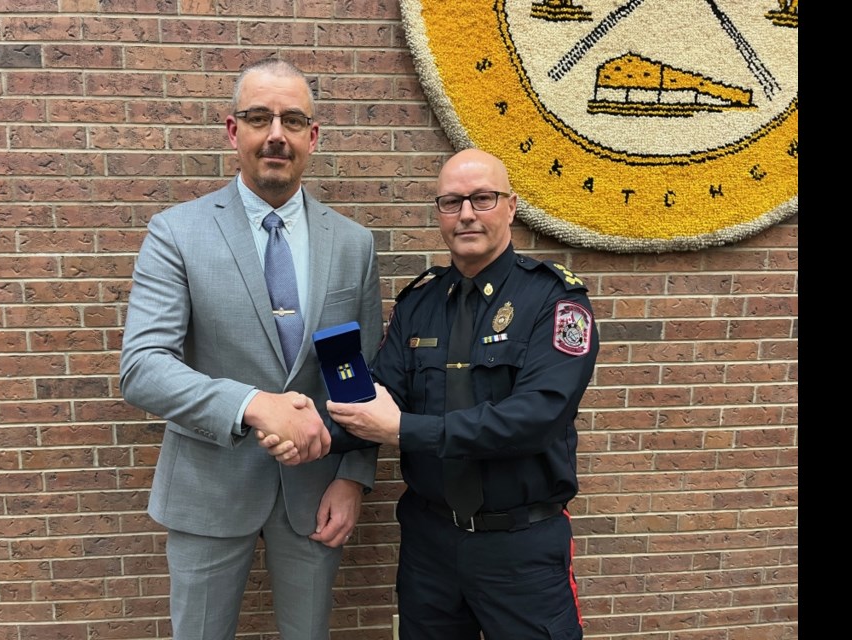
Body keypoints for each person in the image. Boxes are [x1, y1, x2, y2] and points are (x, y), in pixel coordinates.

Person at [119, 58, 382, 640]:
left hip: (316, 493)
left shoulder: (354, 244)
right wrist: (251, 404)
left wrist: (354, 478)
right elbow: (143, 368)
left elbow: (359, 375)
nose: (276, 135)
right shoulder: (175, 233)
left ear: (313, 136)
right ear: (232, 130)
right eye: (259, 118)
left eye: (292, 120)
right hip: (208, 489)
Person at [322, 148, 599, 639]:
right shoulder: (420, 301)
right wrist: (305, 426)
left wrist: (403, 430)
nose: (466, 214)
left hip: (521, 549)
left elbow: (536, 417)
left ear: (511, 206)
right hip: (430, 546)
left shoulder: (554, 300)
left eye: (482, 198)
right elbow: (380, 397)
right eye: (451, 202)